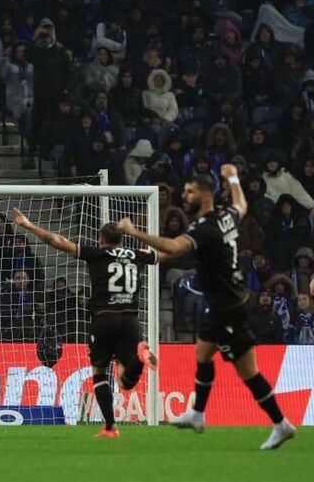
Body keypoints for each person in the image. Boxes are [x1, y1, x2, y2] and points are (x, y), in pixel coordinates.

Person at [117, 166, 296, 450]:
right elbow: (241, 205)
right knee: (202, 352)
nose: (184, 196)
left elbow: (174, 247)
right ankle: (198, 414)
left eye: (190, 191)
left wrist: (132, 231)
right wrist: (233, 178)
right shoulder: (225, 215)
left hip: (228, 308)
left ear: (204, 194)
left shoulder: (205, 227)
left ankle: (281, 423)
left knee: (248, 372)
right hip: (220, 303)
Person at [12, 210, 158, 438]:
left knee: (100, 372)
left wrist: (28, 225)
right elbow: (166, 253)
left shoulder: (97, 254)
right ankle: (140, 357)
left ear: (101, 240)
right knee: (125, 382)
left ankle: (110, 427)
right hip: (131, 320)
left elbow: (58, 241)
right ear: (121, 239)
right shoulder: (137, 254)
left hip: (104, 318)